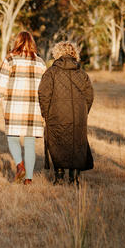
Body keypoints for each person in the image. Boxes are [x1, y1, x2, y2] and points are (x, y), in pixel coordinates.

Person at [0, 31, 46, 185]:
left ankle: (19, 165)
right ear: (32, 43)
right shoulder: (40, 62)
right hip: (33, 108)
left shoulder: (10, 59)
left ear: (17, 42)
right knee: (29, 143)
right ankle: (28, 179)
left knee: (12, 138)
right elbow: (45, 88)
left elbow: (1, 83)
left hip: (13, 106)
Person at [38, 41, 94, 185]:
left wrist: (46, 113)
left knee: (57, 143)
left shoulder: (51, 72)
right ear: (74, 53)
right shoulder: (82, 73)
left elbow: (43, 94)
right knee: (77, 145)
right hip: (78, 116)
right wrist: (84, 111)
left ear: (57, 53)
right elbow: (89, 95)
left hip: (56, 115)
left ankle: (59, 177)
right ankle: (74, 178)